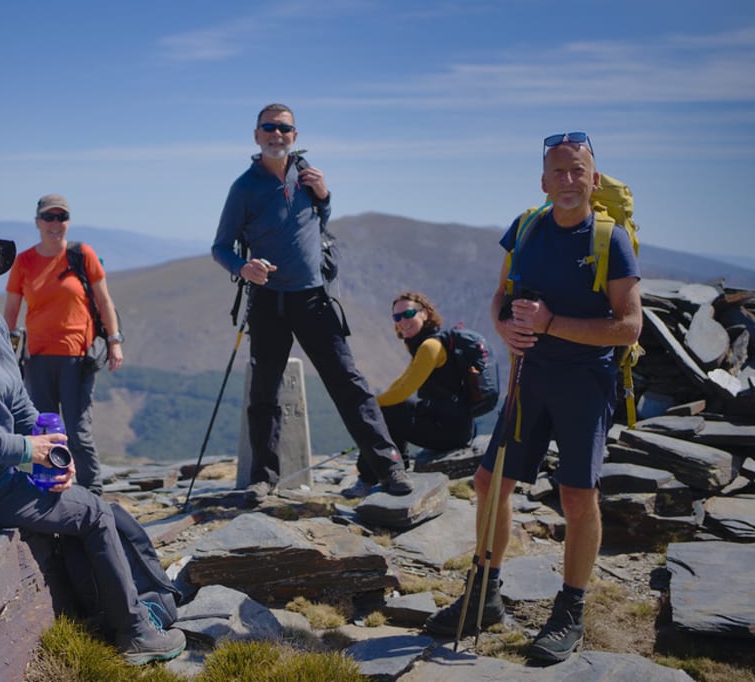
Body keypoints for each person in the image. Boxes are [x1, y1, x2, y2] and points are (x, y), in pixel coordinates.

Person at [0, 215, 185, 666]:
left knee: (101, 508)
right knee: (95, 513)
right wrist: (23, 450)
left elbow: (19, 403)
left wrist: (56, 453)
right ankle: (133, 632)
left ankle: (136, 603)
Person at [423, 132, 641, 666]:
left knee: (575, 496)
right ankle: (485, 595)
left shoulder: (609, 240)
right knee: (488, 481)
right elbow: (503, 295)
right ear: (543, 181)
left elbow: (629, 327)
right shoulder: (526, 228)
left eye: (578, 172)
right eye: (558, 172)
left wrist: (550, 324)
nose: (568, 181)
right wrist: (505, 328)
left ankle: (570, 609)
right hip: (529, 376)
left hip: (584, 383)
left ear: (593, 178)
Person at [211, 103, 412, 500]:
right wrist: (243, 266)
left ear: (295, 136)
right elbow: (220, 246)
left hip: (313, 300)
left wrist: (325, 195)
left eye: (284, 128)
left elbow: (319, 221)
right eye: (269, 128)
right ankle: (263, 479)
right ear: (256, 136)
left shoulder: (308, 178)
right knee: (264, 392)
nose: (276, 134)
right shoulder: (244, 187)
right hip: (268, 301)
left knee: (349, 383)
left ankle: (389, 467)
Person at [4, 194, 123, 495]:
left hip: (77, 356)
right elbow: (11, 309)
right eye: (49, 217)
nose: (55, 223)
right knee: (43, 429)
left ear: (67, 222)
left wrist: (114, 341)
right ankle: (50, 488)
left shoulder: (82, 255)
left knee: (78, 430)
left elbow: (104, 300)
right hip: (38, 357)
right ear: (37, 222)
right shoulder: (25, 261)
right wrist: (4, 348)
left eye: (61, 217)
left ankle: (92, 491)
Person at [347, 292, 475, 497]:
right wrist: (377, 405)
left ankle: (368, 480)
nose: (402, 321)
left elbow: (405, 390)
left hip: (449, 431)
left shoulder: (430, 346)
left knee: (390, 409)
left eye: (408, 314)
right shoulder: (423, 343)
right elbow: (402, 382)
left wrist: (370, 406)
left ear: (424, 314)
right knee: (393, 409)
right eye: (396, 317)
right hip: (451, 423)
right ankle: (395, 467)